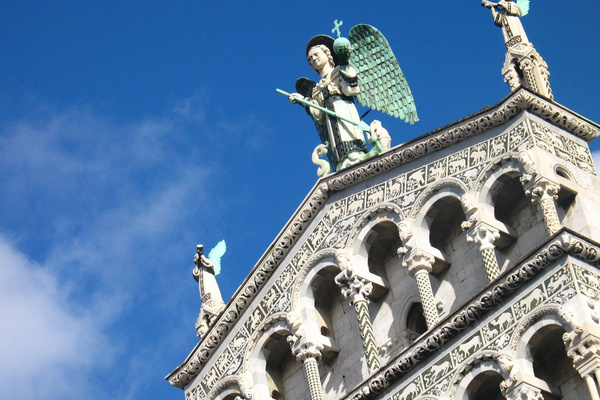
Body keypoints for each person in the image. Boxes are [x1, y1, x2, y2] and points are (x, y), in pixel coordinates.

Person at [289, 37, 368, 171]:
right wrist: (303, 101)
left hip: (343, 109)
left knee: (350, 141)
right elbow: (319, 115)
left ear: (327, 54)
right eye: (310, 59)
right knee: (339, 148)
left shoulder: (338, 72)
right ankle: (342, 161)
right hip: (330, 119)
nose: (313, 59)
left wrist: (345, 65)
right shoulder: (317, 88)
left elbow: (351, 91)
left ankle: (355, 155)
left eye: (316, 55)